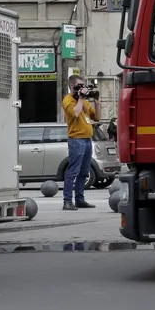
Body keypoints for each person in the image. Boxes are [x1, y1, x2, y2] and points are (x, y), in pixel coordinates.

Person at [61, 74, 100, 211]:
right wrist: (81, 99)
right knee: (73, 171)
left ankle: (79, 199)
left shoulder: (84, 102)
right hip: (76, 140)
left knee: (84, 172)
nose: (82, 88)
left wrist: (97, 101)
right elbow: (75, 113)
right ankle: (67, 201)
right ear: (72, 86)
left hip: (87, 140)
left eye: (83, 86)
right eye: (79, 86)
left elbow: (97, 117)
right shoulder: (68, 100)